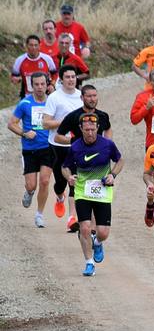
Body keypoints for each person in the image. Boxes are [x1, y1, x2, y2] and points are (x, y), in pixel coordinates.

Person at [61, 115, 123, 277]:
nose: (90, 133)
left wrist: (113, 175)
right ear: (81, 129)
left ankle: (97, 242)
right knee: (85, 228)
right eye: (86, 130)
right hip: (82, 192)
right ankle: (89, 263)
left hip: (102, 192)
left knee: (103, 233)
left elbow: (120, 160)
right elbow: (65, 167)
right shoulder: (75, 147)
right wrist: (69, 177)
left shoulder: (107, 145)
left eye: (92, 129)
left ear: (97, 128)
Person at [41, 65, 83, 232]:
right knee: (60, 181)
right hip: (58, 145)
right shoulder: (54, 97)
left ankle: (72, 218)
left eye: (73, 77)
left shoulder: (81, 96)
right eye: (68, 77)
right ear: (61, 79)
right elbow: (45, 123)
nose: (71, 80)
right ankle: (59, 197)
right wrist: (67, 121)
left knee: (75, 181)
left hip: (77, 146)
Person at [9, 71, 52, 228]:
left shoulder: (52, 102)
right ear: (31, 86)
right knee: (31, 185)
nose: (40, 87)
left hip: (47, 148)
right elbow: (11, 123)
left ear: (47, 84)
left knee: (45, 181)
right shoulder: (25, 104)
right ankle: (29, 192)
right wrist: (24, 133)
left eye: (42, 84)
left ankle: (39, 215)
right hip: (29, 149)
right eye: (36, 85)